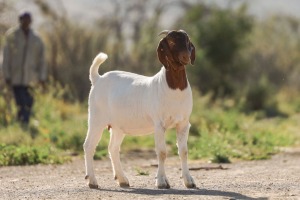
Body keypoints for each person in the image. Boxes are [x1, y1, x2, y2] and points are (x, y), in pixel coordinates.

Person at [2, 12, 47, 125]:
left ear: (31, 21)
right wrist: (6, 75)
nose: (26, 22)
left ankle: (22, 124)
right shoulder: (12, 36)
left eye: (28, 20)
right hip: (16, 77)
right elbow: (6, 57)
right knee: (20, 103)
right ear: (20, 20)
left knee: (28, 104)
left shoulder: (36, 38)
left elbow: (42, 60)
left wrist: (42, 77)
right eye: (24, 19)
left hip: (31, 78)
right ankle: (23, 125)